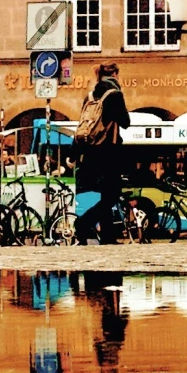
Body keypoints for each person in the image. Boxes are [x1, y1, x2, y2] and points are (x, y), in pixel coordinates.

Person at [74, 62, 129, 244]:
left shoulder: (90, 95)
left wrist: (73, 153)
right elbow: (125, 121)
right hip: (108, 153)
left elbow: (83, 125)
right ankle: (83, 223)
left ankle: (107, 235)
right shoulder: (114, 95)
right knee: (112, 195)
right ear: (115, 74)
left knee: (105, 195)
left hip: (90, 154)